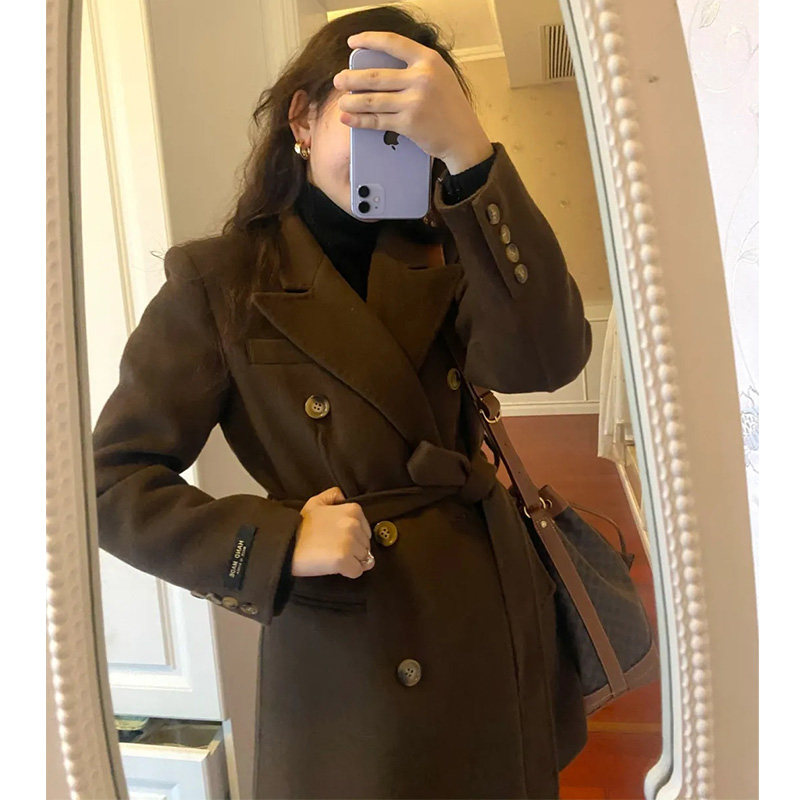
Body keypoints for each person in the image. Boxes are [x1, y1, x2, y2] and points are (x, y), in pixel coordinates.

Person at [92, 6, 592, 798]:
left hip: (489, 613)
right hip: (354, 642)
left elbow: (548, 360)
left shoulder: (450, 252)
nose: (396, 135)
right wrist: (278, 540)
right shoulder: (220, 282)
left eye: (419, 118)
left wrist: (470, 156)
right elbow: (108, 482)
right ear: (303, 117)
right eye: (373, 106)